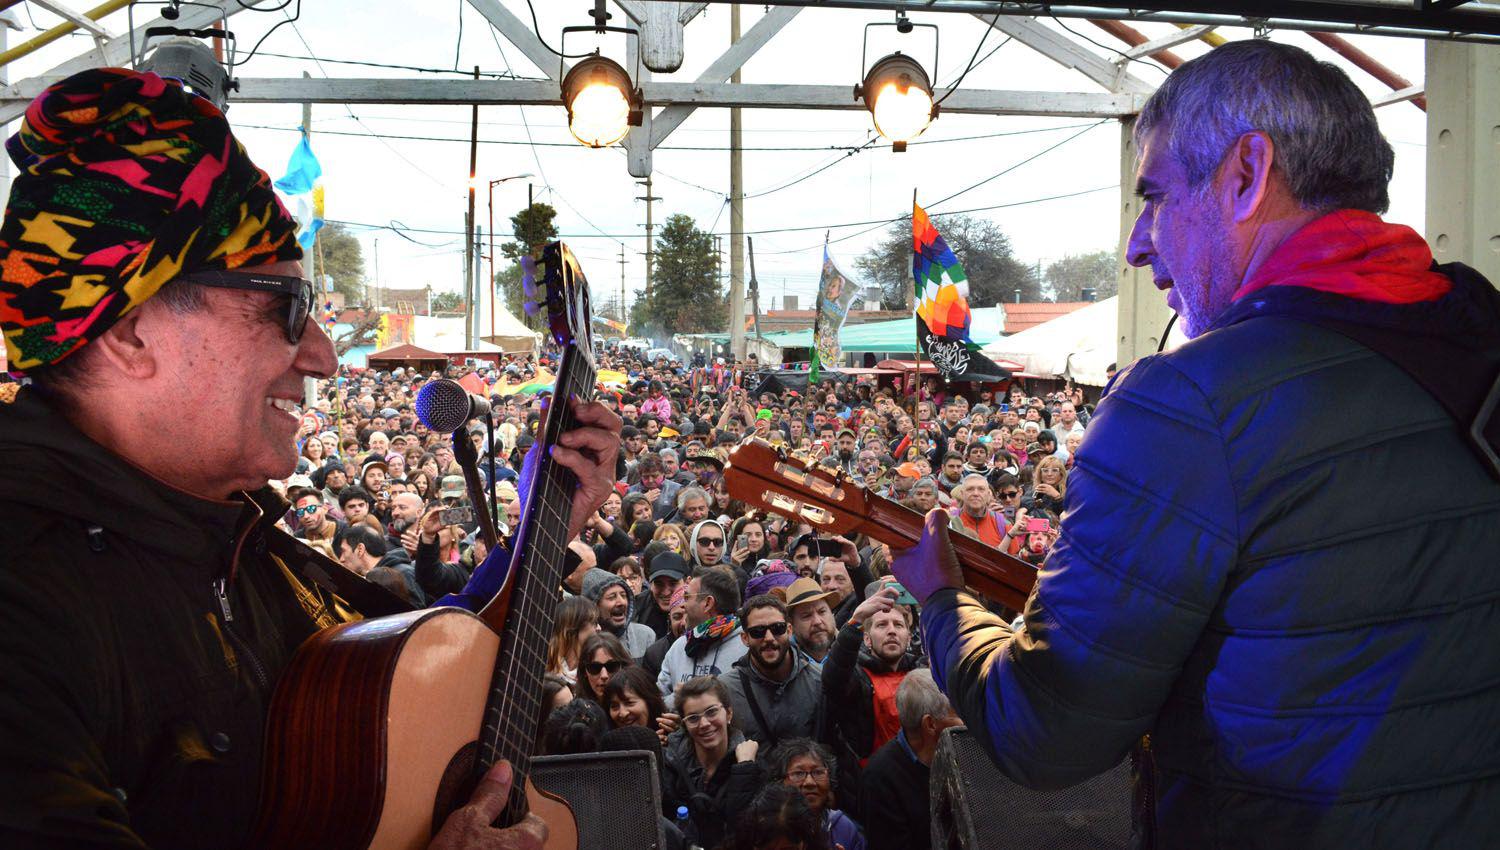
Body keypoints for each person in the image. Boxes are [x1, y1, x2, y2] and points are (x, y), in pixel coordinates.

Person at [891, 40, 1500, 847]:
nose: (1141, 243)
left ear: (1247, 173)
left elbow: (1044, 730)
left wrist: (940, 601)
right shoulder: (1482, 339)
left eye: (1156, 196)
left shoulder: (1187, 407)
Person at [0, 66, 623, 849]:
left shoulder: (240, 551)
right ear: (130, 330)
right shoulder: (24, 601)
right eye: (285, 308)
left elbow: (423, 700)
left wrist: (542, 530)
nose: (326, 356)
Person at [858, 670, 960, 850]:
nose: (966, 722)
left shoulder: (965, 754)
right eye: (958, 714)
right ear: (930, 724)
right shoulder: (880, 778)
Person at [822, 587, 920, 769]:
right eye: (882, 625)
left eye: (898, 625)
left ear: (908, 637)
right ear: (866, 639)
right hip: (871, 779)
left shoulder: (922, 672)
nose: (891, 631)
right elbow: (833, 679)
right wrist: (856, 621)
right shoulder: (857, 676)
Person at [661, 676, 764, 850]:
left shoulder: (751, 763)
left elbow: (743, 831)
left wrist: (744, 771)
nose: (704, 724)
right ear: (684, 725)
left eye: (711, 712)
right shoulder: (670, 762)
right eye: (693, 718)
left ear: (729, 713)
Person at [719, 595, 824, 750]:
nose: (768, 638)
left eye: (777, 629)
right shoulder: (724, 690)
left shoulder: (818, 681)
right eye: (757, 631)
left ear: (789, 630)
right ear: (745, 638)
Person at [657, 567, 748, 706]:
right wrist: (677, 711)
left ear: (707, 603)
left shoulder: (747, 646)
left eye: (687, 597)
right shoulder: (679, 647)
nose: (683, 606)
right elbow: (658, 702)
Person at [766, 738, 867, 850]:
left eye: (818, 772)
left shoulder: (843, 827)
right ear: (780, 781)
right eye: (798, 773)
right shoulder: (767, 828)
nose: (810, 782)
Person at [580, 567, 657, 657]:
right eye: (612, 597)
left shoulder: (645, 636)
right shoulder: (582, 641)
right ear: (594, 606)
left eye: (624, 596)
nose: (621, 602)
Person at [778, 577, 839, 667]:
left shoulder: (853, 652)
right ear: (791, 624)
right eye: (806, 616)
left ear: (832, 614)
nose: (817, 622)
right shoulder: (782, 664)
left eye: (822, 612)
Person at [546, 595, 601, 687]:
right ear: (573, 628)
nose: (599, 628)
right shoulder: (543, 670)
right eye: (594, 623)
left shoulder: (601, 670)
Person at [575, 631, 634, 706]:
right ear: (584, 672)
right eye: (595, 668)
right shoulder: (575, 712)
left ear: (623, 667)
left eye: (611, 666)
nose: (604, 675)